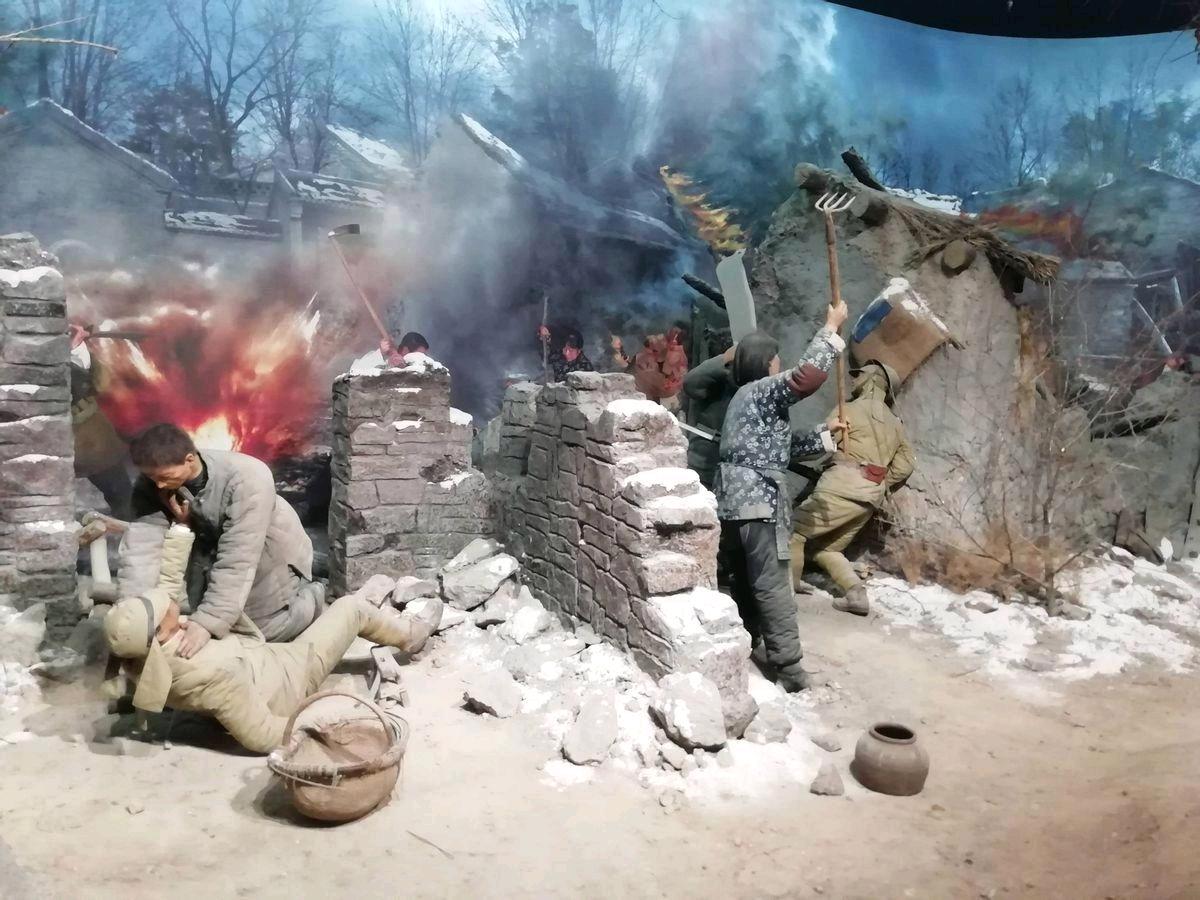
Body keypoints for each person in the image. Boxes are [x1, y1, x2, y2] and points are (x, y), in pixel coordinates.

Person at [102, 586, 443, 752]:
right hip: (291, 677)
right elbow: (263, 735)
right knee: (351, 608)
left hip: (263, 664)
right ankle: (411, 636)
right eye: (164, 610)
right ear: (160, 633)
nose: (169, 602)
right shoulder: (213, 673)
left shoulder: (141, 657)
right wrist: (315, 723)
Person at [714, 302, 848, 693]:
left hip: (734, 503)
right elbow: (807, 378)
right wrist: (830, 328)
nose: (779, 364)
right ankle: (789, 668)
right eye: (775, 359)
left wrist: (824, 433)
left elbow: (775, 451)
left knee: (744, 579)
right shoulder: (762, 390)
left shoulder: (743, 399)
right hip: (759, 503)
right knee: (772, 583)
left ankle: (748, 641)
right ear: (764, 363)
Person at [127, 423, 323, 651]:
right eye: (152, 477)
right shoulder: (153, 481)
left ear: (189, 460)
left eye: (165, 477)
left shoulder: (247, 478)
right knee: (210, 614)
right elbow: (142, 545)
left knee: (263, 631)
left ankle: (313, 595)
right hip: (209, 543)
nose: (159, 484)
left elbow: (239, 556)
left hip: (267, 544)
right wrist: (135, 610)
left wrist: (208, 621)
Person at [790, 361, 915, 616]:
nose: (854, 379)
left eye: (860, 375)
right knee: (828, 549)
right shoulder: (896, 424)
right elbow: (905, 465)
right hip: (870, 498)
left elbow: (821, 443)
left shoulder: (848, 410)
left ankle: (786, 588)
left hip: (839, 489)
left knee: (793, 532)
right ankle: (856, 594)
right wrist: (876, 479)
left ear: (872, 381)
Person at [681, 343, 738, 490]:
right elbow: (691, 383)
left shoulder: (765, 390)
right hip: (704, 462)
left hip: (737, 474)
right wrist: (725, 359)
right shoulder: (722, 376)